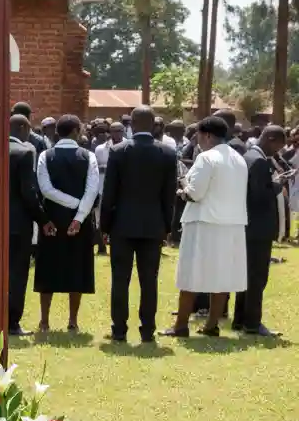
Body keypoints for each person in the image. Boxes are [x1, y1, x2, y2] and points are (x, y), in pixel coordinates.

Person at [163, 116, 249, 337]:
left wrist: (183, 188)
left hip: (204, 222)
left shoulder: (206, 157)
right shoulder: (239, 159)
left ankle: (181, 325)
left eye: (199, 136)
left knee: (191, 275)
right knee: (222, 277)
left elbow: (195, 193)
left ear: (207, 135)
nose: (197, 140)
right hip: (232, 224)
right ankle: (211, 325)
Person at [100, 106, 178, 342]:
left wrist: (104, 227)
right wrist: (167, 226)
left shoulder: (118, 151)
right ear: (154, 124)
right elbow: (169, 195)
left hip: (122, 225)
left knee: (120, 280)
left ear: (131, 124)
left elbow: (109, 193)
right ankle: (147, 330)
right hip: (153, 225)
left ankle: (119, 330)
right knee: (149, 280)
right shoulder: (166, 153)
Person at [34, 114, 100, 331]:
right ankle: (73, 320)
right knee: (77, 268)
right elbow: (92, 190)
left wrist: (71, 206)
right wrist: (79, 215)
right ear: (76, 131)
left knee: (47, 268)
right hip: (79, 222)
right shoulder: (88, 156)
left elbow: (46, 189)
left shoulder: (46, 155)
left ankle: (44, 320)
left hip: (52, 219)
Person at [231, 126, 287, 336]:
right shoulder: (259, 161)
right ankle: (252, 322)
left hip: (249, 225)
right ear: (270, 139)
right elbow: (259, 196)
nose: (279, 150)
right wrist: (277, 185)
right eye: (278, 145)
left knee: (247, 275)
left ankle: (240, 319)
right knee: (257, 277)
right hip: (258, 227)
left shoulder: (249, 156)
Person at [8, 115, 53, 336]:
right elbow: (29, 193)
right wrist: (43, 220)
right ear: (23, 127)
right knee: (17, 273)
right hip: (18, 225)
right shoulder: (25, 152)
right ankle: (12, 322)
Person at [92, 121, 124, 257]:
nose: (117, 134)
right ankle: (101, 246)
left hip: (123, 189)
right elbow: (94, 169)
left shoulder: (128, 146)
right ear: (109, 133)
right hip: (103, 187)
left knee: (120, 217)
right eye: (114, 131)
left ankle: (120, 245)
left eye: (119, 131)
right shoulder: (100, 149)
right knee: (100, 217)